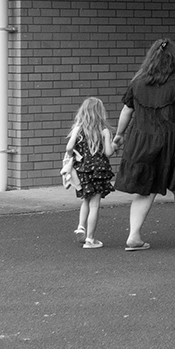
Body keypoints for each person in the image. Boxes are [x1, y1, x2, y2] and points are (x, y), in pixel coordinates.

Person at [114, 38, 175, 251]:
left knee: (144, 190)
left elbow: (127, 110)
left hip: (143, 140)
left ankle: (133, 237)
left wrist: (119, 135)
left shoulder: (138, 81)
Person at [62, 96, 115, 249]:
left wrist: (74, 154)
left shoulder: (78, 129)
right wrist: (113, 144)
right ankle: (90, 239)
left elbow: (68, 148)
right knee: (95, 205)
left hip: (83, 170)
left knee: (86, 199)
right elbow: (108, 152)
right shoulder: (104, 131)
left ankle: (81, 226)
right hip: (100, 170)